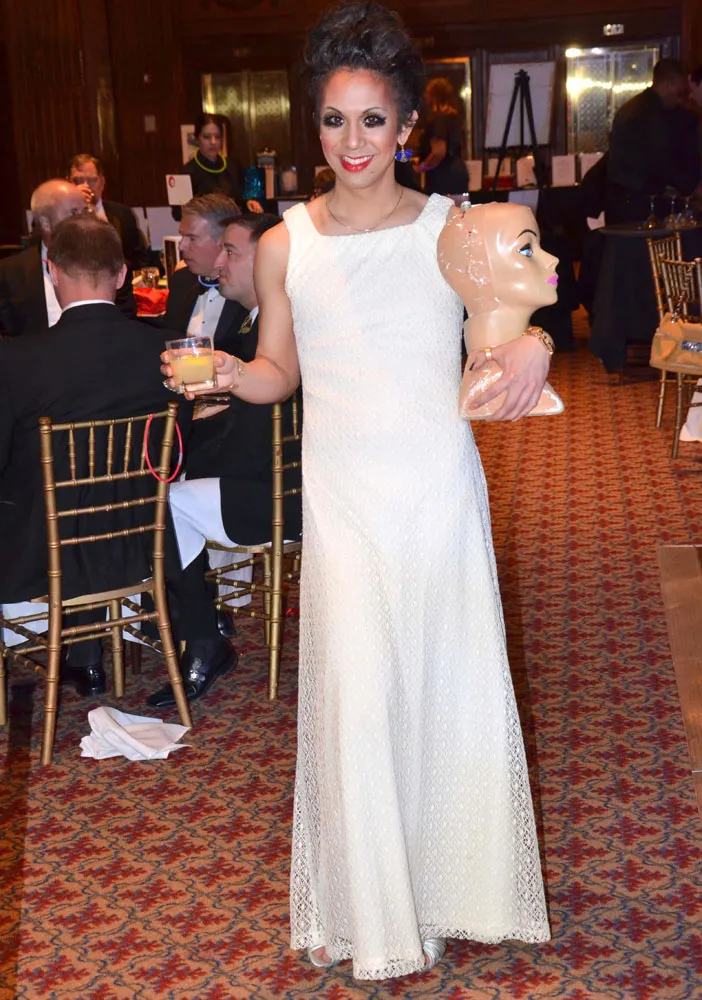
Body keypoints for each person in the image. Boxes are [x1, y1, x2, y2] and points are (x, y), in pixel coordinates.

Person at [162, 0, 551, 980]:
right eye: (335, 119)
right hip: (341, 498)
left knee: (446, 684)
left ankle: (453, 887)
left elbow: (504, 333)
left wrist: (537, 346)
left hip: (436, 486)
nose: (353, 140)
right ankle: (376, 906)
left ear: (407, 123)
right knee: (361, 696)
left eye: (373, 119)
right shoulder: (285, 243)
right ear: (315, 124)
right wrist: (226, 372)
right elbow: (279, 372)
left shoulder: (452, 229)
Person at [0, 215, 188, 696]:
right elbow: (177, 449)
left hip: (40, 553)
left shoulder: (16, 359)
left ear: (52, 271)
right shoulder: (163, 350)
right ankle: (84, 654)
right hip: (136, 542)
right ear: (122, 274)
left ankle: (69, 659)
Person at [148, 214, 302, 708]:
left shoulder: (282, 332)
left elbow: (260, 430)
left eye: (230, 251)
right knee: (167, 487)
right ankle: (191, 613)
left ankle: (203, 637)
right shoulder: (254, 323)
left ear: (269, 258)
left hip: (279, 495)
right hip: (270, 479)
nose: (218, 262)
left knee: (162, 506)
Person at [0, 179, 136, 337]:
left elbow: (125, 322)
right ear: (45, 223)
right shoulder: (10, 273)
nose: (84, 220)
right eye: (73, 213)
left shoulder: (108, 261)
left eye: (85, 211)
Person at [606, 58, 699, 223]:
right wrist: (688, 188)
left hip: (620, 201)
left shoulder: (631, 108)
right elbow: (660, 160)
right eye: (680, 93)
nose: (681, 100)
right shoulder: (652, 115)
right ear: (668, 85)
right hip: (640, 204)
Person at [163, 193, 250, 353]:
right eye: (182, 236)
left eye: (192, 238)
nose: (181, 246)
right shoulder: (181, 280)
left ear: (224, 241)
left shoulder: (248, 289)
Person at [68, 153, 150, 272]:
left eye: (92, 180)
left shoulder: (122, 214)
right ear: (68, 183)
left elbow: (139, 260)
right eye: (78, 180)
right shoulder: (60, 215)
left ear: (102, 182)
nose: (85, 186)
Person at [182, 113, 262, 214]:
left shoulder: (233, 166)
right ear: (197, 139)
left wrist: (248, 203)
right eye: (206, 137)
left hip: (233, 220)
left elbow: (239, 200)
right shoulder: (188, 172)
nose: (213, 142)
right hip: (204, 223)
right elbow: (178, 213)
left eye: (217, 137)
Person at [416, 77, 469, 195]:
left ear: (433, 96)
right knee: (457, 207)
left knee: (439, 208)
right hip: (458, 174)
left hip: (443, 176)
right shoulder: (454, 118)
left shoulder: (439, 119)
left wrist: (421, 168)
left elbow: (438, 152)